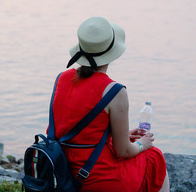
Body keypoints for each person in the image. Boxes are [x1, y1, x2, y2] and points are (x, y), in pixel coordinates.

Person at [51, 17, 170, 192]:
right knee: (154, 157)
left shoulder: (61, 78)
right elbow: (124, 152)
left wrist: (122, 134)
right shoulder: (115, 91)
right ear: (112, 53)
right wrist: (142, 144)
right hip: (95, 177)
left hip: (60, 169)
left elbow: (73, 131)